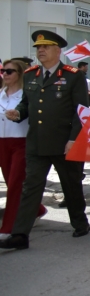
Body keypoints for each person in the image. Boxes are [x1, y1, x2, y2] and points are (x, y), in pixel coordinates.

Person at [1, 31, 90, 251]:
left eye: (46, 47)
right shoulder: (31, 75)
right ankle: (20, 234)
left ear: (57, 50)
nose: (40, 50)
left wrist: (73, 139)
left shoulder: (72, 75)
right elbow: (26, 103)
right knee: (30, 188)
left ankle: (80, 222)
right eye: (38, 47)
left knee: (71, 186)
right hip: (36, 143)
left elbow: (82, 111)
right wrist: (19, 113)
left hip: (63, 143)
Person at [0, 59, 48, 239]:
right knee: (11, 181)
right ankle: (37, 208)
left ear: (19, 74)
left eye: (9, 71)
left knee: (14, 185)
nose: (5, 74)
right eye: (3, 71)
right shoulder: (1, 94)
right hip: (3, 143)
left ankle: (9, 227)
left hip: (21, 142)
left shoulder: (26, 95)